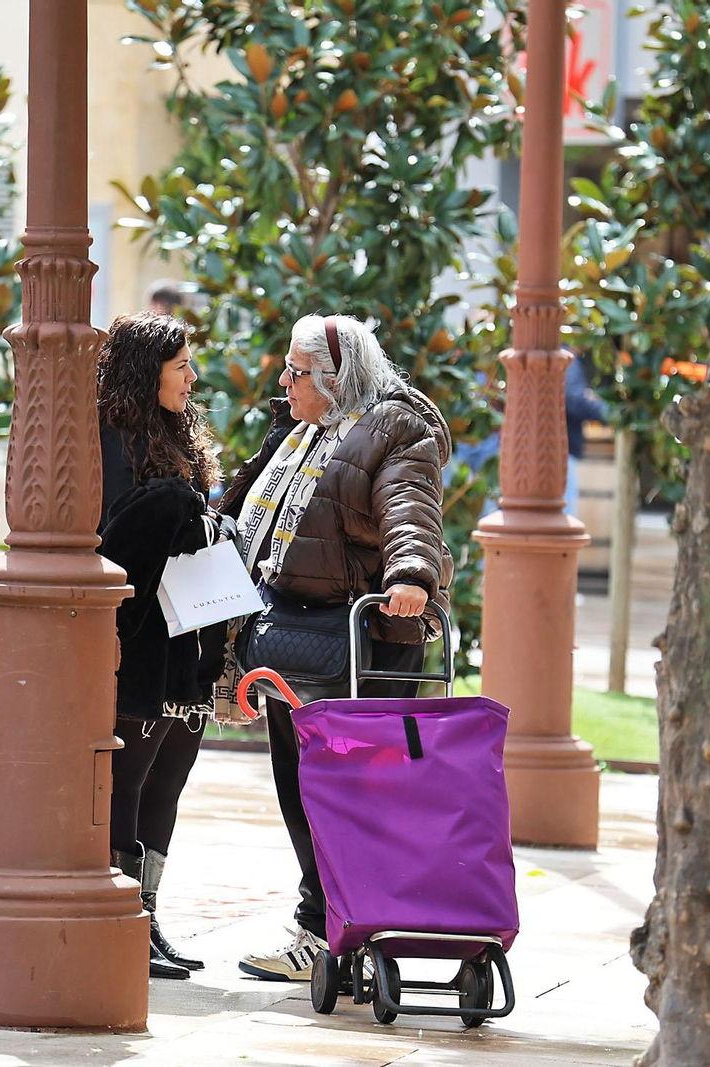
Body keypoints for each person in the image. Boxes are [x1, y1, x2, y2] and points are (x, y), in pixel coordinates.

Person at [219, 313, 452, 981]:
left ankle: (335, 934)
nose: (283, 381)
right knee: (300, 786)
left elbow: (410, 506)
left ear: (337, 378)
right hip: (297, 641)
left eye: (296, 372)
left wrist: (409, 574)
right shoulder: (300, 431)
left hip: (360, 646)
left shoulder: (394, 427)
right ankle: (325, 926)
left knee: (348, 796)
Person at [95, 312, 229, 982]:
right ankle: (122, 919)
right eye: (180, 366)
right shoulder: (108, 439)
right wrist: (175, 505)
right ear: (148, 372)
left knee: (167, 783)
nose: (191, 376)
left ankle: (147, 915)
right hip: (140, 643)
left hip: (188, 641)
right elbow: (116, 538)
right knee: (131, 780)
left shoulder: (178, 433)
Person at [564, 351, 609, 519]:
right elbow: (574, 399)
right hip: (562, 450)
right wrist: (609, 412)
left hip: (556, 448)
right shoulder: (566, 358)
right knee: (563, 518)